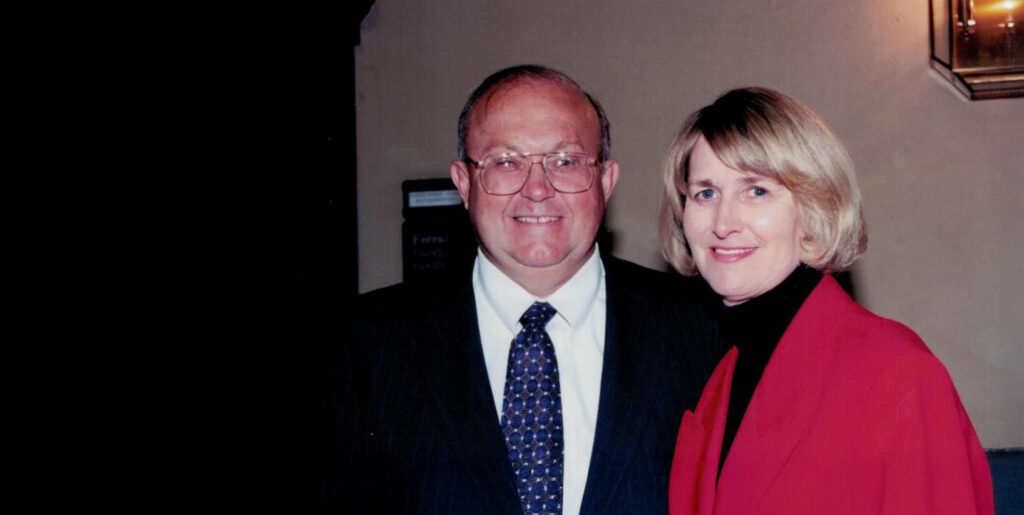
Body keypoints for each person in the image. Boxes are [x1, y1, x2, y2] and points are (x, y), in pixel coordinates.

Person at [322, 65, 723, 514]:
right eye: (506, 162)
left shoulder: (703, 333)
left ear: (606, 181)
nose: (537, 189)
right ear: (463, 183)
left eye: (565, 161)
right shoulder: (366, 346)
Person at [659, 87, 994, 514]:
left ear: (813, 208)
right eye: (705, 193)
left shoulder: (898, 374)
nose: (723, 223)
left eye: (757, 191)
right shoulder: (720, 381)